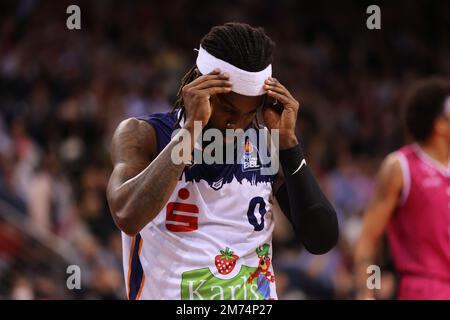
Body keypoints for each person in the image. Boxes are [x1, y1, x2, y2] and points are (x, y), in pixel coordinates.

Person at [106, 22, 338, 300]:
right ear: (197, 83)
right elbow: (127, 216)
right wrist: (191, 130)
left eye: (248, 114)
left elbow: (321, 239)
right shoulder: (144, 135)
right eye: (227, 109)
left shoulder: (267, 144)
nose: (235, 126)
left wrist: (288, 143)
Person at [354, 77, 450, 300]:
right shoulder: (400, 167)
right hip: (424, 289)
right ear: (439, 124)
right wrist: (367, 291)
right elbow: (368, 239)